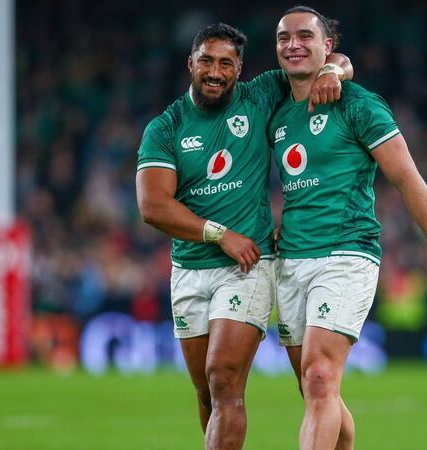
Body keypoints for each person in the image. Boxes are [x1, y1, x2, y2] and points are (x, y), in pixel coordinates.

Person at [135, 23, 352, 450]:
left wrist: (334, 72)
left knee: (223, 378)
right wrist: (219, 234)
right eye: (207, 61)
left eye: (226, 64)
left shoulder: (260, 95)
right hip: (190, 269)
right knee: (206, 392)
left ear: (239, 69)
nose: (215, 72)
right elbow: (153, 207)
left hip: (246, 265)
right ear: (191, 64)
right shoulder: (166, 127)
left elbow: (332, 61)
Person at [269, 7, 427, 450]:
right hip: (291, 260)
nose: (293, 44)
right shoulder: (274, 107)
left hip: (347, 252)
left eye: (305, 36)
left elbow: (406, 176)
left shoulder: (358, 103)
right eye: (284, 38)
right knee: (316, 388)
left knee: (319, 377)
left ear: (327, 46)